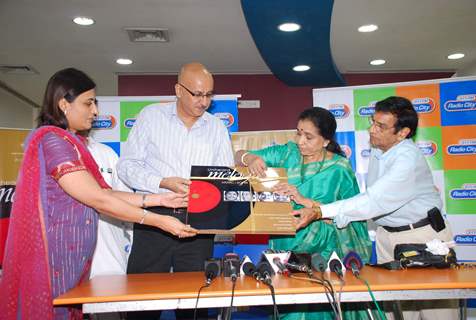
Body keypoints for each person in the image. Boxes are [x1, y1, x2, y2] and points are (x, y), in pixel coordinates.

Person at [0, 68, 197, 320]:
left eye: (96, 103)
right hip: (55, 259)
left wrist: (159, 199)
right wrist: (159, 220)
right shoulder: (53, 142)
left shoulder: (73, 144)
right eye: (88, 102)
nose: (95, 111)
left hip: (74, 260)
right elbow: (99, 200)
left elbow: (106, 191)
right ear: (63, 104)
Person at [309, 96, 457, 319]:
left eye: (380, 126)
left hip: (423, 238)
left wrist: (321, 211)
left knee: (435, 312)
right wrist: (328, 211)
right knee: (396, 312)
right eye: (372, 122)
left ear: (403, 132)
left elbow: (374, 201)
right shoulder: (380, 151)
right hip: (388, 238)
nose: (371, 130)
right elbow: (372, 202)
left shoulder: (407, 158)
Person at [117, 62, 234, 319]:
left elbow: (226, 175)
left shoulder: (217, 128)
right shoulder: (151, 116)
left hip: (199, 221)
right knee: (143, 300)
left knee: (195, 301)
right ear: (178, 90)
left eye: (209, 95)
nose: (204, 102)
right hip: (154, 216)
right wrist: (162, 182)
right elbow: (126, 166)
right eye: (197, 94)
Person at [236, 107, 372, 320]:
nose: (300, 141)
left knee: (319, 308)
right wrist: (249, 158)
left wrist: (304, 200)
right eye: (298, 133)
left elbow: (351, 212)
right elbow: (238, 155)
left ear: (326, 141)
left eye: (308, 137)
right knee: (288, 306)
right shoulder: (288, 153)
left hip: (324, 252)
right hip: (285, 245)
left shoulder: (339, 168)